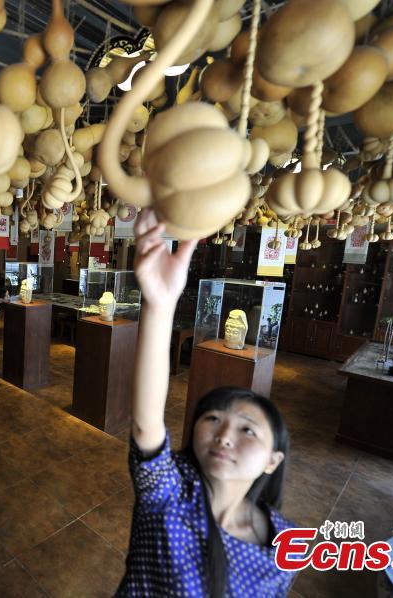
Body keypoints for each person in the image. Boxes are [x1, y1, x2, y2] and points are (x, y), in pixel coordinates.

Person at [118, 209, 295, 597]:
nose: (224, 435)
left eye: (248, 429)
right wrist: (160, 305)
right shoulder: (167, 491)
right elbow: (147, 422)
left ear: (273, 460)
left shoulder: (284, 543)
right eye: (213, 418)